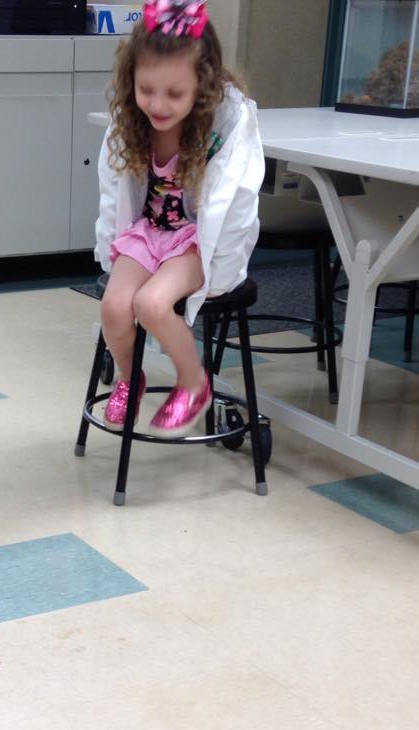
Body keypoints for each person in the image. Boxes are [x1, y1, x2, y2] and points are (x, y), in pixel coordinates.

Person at [95, 0, 264, 437]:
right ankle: (131, 379)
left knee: (151, 305)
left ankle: (193, 383)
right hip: (148, 232)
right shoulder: (132, 123)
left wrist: (222, 270)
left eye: (174, 94)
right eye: (146, 89)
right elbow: (113, 191)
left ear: (202, 87)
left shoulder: (221, 127)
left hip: (192, 240)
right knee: (114, 306)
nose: (158, 104)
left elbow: (234, 204)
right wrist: (107, 247)